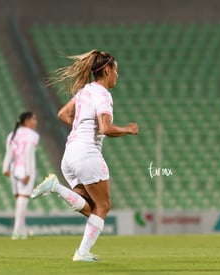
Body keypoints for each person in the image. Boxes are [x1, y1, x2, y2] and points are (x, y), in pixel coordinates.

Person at [31, 49, 139, 262]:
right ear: (107, 70)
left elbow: (62, 114)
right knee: (104, 206)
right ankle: (81, 253)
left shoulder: (85, 91)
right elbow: (106, 128)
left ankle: (56, 188)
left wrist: (81, 128)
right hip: (87, 153)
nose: (117, 75)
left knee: (90, 207)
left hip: (69, 154)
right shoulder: (102, 94)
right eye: (116, 70)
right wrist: (128, 129)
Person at [2, 111, 39, 240]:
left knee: (20, 201)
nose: (36, 122)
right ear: (27, 121)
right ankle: (16, 230)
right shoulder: (33, 135)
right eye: (34, 119)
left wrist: (5, 167)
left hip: (14, 169)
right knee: (23, 200)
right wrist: (28, 173)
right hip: (25, 170)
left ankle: (22, 231)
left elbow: (9, 153)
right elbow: (28, 153)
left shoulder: (12, 134)